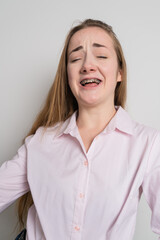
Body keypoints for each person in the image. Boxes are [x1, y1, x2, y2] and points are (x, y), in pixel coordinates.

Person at [0, 18, 160, 240]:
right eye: (75, 58)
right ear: (68, 76)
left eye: (101, 56)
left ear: (119, 73)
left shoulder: (148, 144)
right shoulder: (40, 142)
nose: (87, 65)